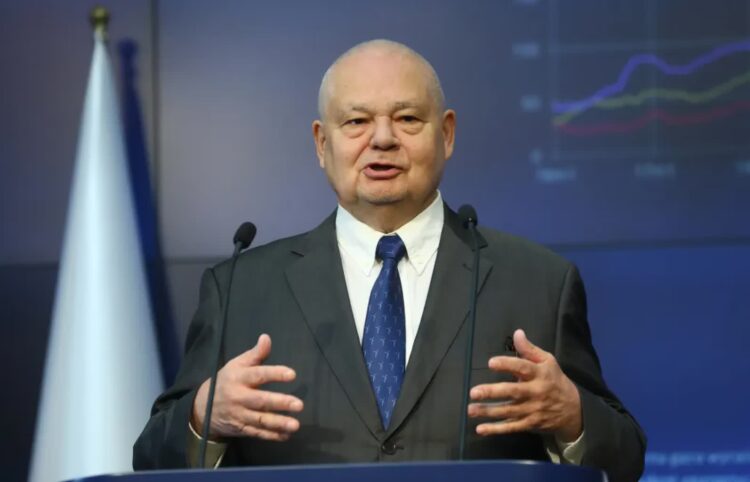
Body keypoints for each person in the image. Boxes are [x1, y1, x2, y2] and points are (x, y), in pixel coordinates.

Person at [133, 39, 645, 481]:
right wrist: (203, 420)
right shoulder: (241, 288)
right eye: (357, 121)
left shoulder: (538, 282)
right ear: (322, 143)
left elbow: (624, 461)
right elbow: (151, 459)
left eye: (407, 119)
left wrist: (572, 417)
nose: (382, 139)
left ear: (446, 134)